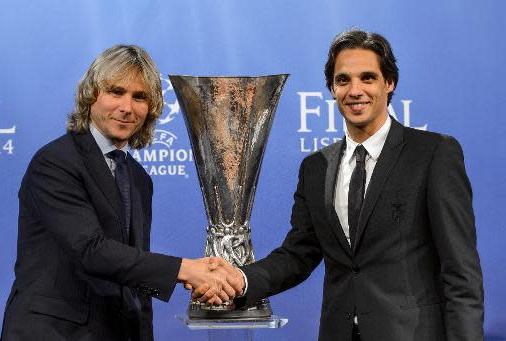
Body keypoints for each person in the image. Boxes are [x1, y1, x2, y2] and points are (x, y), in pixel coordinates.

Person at [195, 29, 484, 340]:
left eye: (368, 78)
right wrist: (241, 279)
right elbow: (298, 255)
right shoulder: (316, 167)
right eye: (343, 80)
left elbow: (461, 272)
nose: (355, 90)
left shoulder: (433, 153)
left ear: (389, 83)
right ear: (332, 89)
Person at [0, 45, 242, 341]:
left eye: (140, 97)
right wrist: (185, 270)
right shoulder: (55, 162)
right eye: (116, 92)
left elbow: (133, 273)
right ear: (91, 95)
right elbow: (92, 251)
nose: (127, 107)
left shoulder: (139, 178)